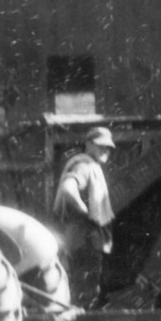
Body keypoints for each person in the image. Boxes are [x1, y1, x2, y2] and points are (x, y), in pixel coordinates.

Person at [54, 127, 116, 306]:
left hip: (82, 238)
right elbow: (68, 188)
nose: (106, 150)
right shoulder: (84, 165)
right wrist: (85, 212)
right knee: (84, 291)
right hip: (84, 239)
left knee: (81, 289)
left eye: (108, 147)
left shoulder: (90, 165)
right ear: (88, 145)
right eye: (101, 145)